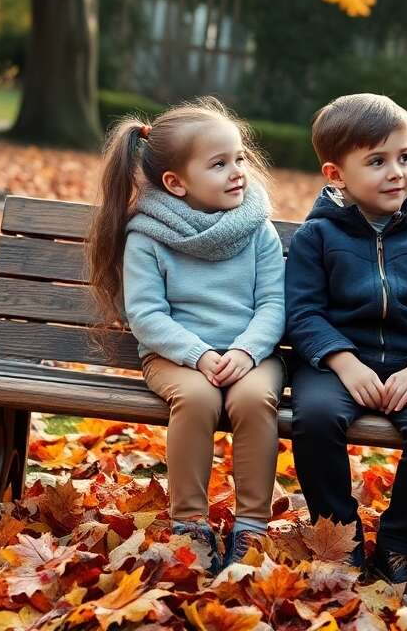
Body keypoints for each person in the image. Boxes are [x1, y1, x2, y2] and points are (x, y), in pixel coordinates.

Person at [285, 93, 407, 584]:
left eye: (404, 157)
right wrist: (343, 361)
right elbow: (302, 312)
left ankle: (399, 545)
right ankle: (340, 537)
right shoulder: (317, 238)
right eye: (376, 161)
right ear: (336, 175)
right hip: (335, 365)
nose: (396, 172)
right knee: (315, 418)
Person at [87, 97, 285, 570]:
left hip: (251, 355)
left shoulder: (257, 229)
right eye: (219, 164)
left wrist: (246, 351)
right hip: (174, 356)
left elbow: (273, 304)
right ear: (176, 183)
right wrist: (197, 355)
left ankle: (252, 527)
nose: (238, 171)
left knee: (253, 401)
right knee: (196, 399)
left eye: (239, 158)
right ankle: (190, 526)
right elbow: (147, 315)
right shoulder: (149, 235)